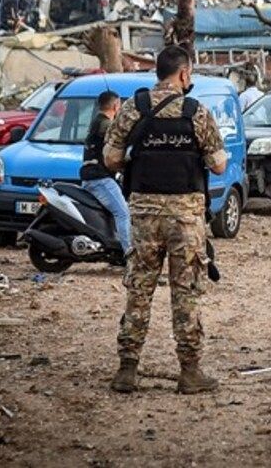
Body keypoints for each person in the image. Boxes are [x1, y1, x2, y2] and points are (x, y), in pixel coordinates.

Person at [104, 45, 228, 395]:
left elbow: (111, 159)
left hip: (143, 214)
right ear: (185, 74)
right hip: (185, 218)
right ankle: (190, 372)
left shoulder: (132, 108)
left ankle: (127, 370)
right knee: (185, 293)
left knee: (139, 290)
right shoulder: (197, 112)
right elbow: (218, 165)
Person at [80, 90, 132, 259]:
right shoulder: (104, 124)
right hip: (99, 178)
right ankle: (130, 256)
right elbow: (120, 138)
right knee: (123, 213)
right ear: (116, 105)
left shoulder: (97, 122)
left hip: (94, 177)